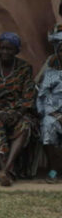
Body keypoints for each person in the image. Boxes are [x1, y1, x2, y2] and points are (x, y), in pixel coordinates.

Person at [0, 32, 37, 186]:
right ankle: (5, 170)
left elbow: (28, 95)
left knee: (25, 125)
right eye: (2, 48)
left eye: (9, 49)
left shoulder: (24, 68)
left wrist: (17, 113)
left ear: (17, 50)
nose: (5, 52)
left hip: (19, 111)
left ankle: (6, 170)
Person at [36, 33, 62, 183]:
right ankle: (54, 168)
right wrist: (56, 114)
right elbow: (42, 97)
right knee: (47, 124)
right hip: (54, 113)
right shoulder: (50, 74)